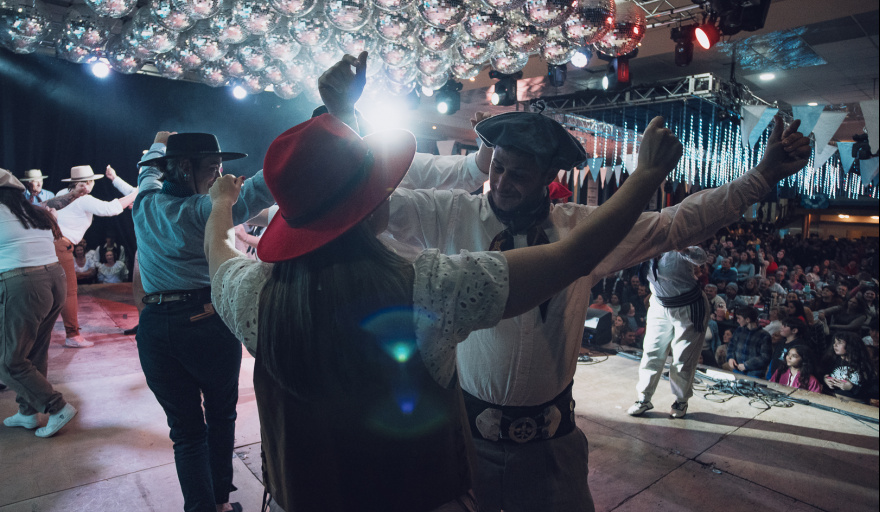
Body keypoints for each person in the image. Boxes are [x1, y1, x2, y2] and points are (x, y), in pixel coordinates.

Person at [324, 52, 812, 512]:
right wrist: (341, 115)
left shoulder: (581, 228)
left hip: (552, 448)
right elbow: (367, 199)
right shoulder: (449, 214)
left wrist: (764, 175)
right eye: (498, 168)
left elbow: (675, 224)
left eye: (520, 173)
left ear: (548, 176)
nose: (502, 182)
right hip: (465, 440)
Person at [203, 111, 679, 512]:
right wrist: (643, 178)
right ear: (368, 209)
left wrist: (221, 202)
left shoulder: (249, 295)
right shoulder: (431, 289)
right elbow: (572, 258)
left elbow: (218, 251)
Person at [133, 130, 276, 512]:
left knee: (185, 432)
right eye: (213, 168)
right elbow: (266, 186)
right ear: (184, 168)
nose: (219, 175)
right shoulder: (205, 211)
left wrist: (159, 142)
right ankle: (222, 503)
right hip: (206, 321)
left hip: (154, 328)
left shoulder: (144, 202)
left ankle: (202, 507)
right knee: (220, 414)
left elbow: (145, 173)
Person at [0, 168, 77, 438]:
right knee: (33, 352)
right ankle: (28, 413)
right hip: (54, 279)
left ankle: (56, 407)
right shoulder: (33, 212)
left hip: (24, 284)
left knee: (7, 362)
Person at [54, 165, 137, 348]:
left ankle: (68, 332)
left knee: (54, 291)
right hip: (60, 245)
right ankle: (72, 335)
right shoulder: (83, 198)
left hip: (51, 244)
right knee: (69, 292)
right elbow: (110, 209)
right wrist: (136, 192)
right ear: (88, 183)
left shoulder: (62, 192)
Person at [627, 246, 709, 419]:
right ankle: (644, 398)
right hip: (659, 305)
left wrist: (683, 249)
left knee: (682, 358)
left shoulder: (679, 246)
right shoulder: (647, 247)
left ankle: (681, 400)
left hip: (688, 306)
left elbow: (701, 257)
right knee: (651, 351)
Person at [823, 332, 877, 402]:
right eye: (834, 342)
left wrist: (852, 387)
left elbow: (873, 391)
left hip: (856, 404)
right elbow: (819, 377)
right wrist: (825, 380)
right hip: (832, 400)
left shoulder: (863, 365)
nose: (835, 345)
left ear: (850, 345)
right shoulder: (831, 360)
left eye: (839, 342)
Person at [727, 306, 772, 378]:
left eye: (739, 318)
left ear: (747, 319)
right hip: (737, 369)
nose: (737, 321)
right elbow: (731, 346)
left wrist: (747, 365)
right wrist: (730, 358)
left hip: (755, 373)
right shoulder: (739, 330)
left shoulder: (764, 335)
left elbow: (765, 357)